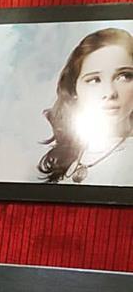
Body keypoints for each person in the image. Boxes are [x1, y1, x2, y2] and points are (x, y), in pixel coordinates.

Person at [38, 27, 133, 185]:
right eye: (94, 80)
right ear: (74, 89)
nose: (109, 93)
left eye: (124, 76)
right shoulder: (73, 149)